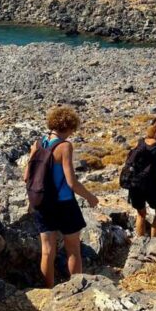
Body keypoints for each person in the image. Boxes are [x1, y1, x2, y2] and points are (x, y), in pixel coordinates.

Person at [23, 106, 99, 288]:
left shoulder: (38, 143)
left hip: (42, 202)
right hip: (65, 204)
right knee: (73, 249)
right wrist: (90, 197)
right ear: (69, 126)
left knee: (47, 251)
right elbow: (71, 182)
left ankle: (48, 291)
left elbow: (26, 176)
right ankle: (77, 289)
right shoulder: (65, 146)